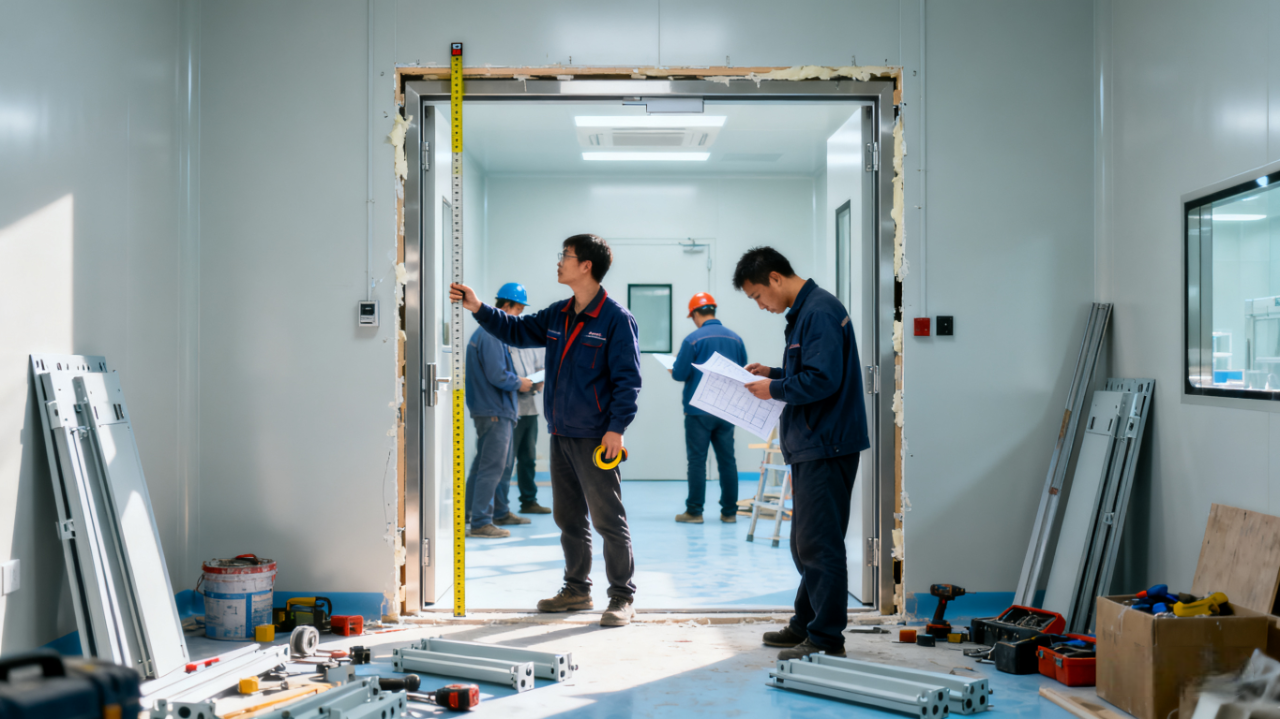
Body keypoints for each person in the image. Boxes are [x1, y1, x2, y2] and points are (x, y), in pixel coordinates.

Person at [450, 233, 642, 627]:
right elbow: (516, 331)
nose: (559, 262)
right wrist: (478, 307)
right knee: (568, 518)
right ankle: (577, 590)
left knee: (608, 519)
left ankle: (622, 597)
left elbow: (628, 381)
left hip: (595, 437)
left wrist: (616, 429)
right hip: (561, 434)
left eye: (565, 256)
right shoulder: (558, 314)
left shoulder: (616, 320)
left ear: (586, 265)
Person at [732, 246, 870, 660]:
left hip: (826, 443)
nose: (760, 305)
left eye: (757, 295)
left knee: (819, 543)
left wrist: (774, 389)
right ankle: (804, 624)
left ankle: (827, 639)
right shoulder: (806, 312)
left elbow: (823, 379)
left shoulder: (819, 312)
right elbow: (808, 370)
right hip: (814, 443)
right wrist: (774, 373)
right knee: (804, 543)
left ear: (775, 278)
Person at [670, 292, 748, 524]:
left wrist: (674, 369)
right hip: (727, 411)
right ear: (713, 310)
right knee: (728, 461)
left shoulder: (693, 339)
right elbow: (743, 370)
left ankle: (694, 512)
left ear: (695, 314)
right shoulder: (736, 339)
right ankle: (729, 513)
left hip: (698, 412)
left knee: (697, 461)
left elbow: (680, 374)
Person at [463, 289, 534, 538]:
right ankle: (481, 522)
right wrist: (521, 383)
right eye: (517, 311)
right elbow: (497, 375)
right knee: (493, 467)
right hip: (494, 410)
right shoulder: (491, 334)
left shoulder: (488, 334)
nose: (518, 318)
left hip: (493, 410)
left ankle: (480, 513)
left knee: (486, 465)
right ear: (505, 306)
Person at [499, 282, 551, 516]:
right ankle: (500, 507)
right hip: (508, 408)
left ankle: (528, 501)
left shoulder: (527, 334)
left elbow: (542, 364)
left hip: (530, 408)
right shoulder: (497, 334)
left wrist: (539, 381)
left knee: (527, 458)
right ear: (506, 305)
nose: (520, 313)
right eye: (518, 308)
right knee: (505, 461)